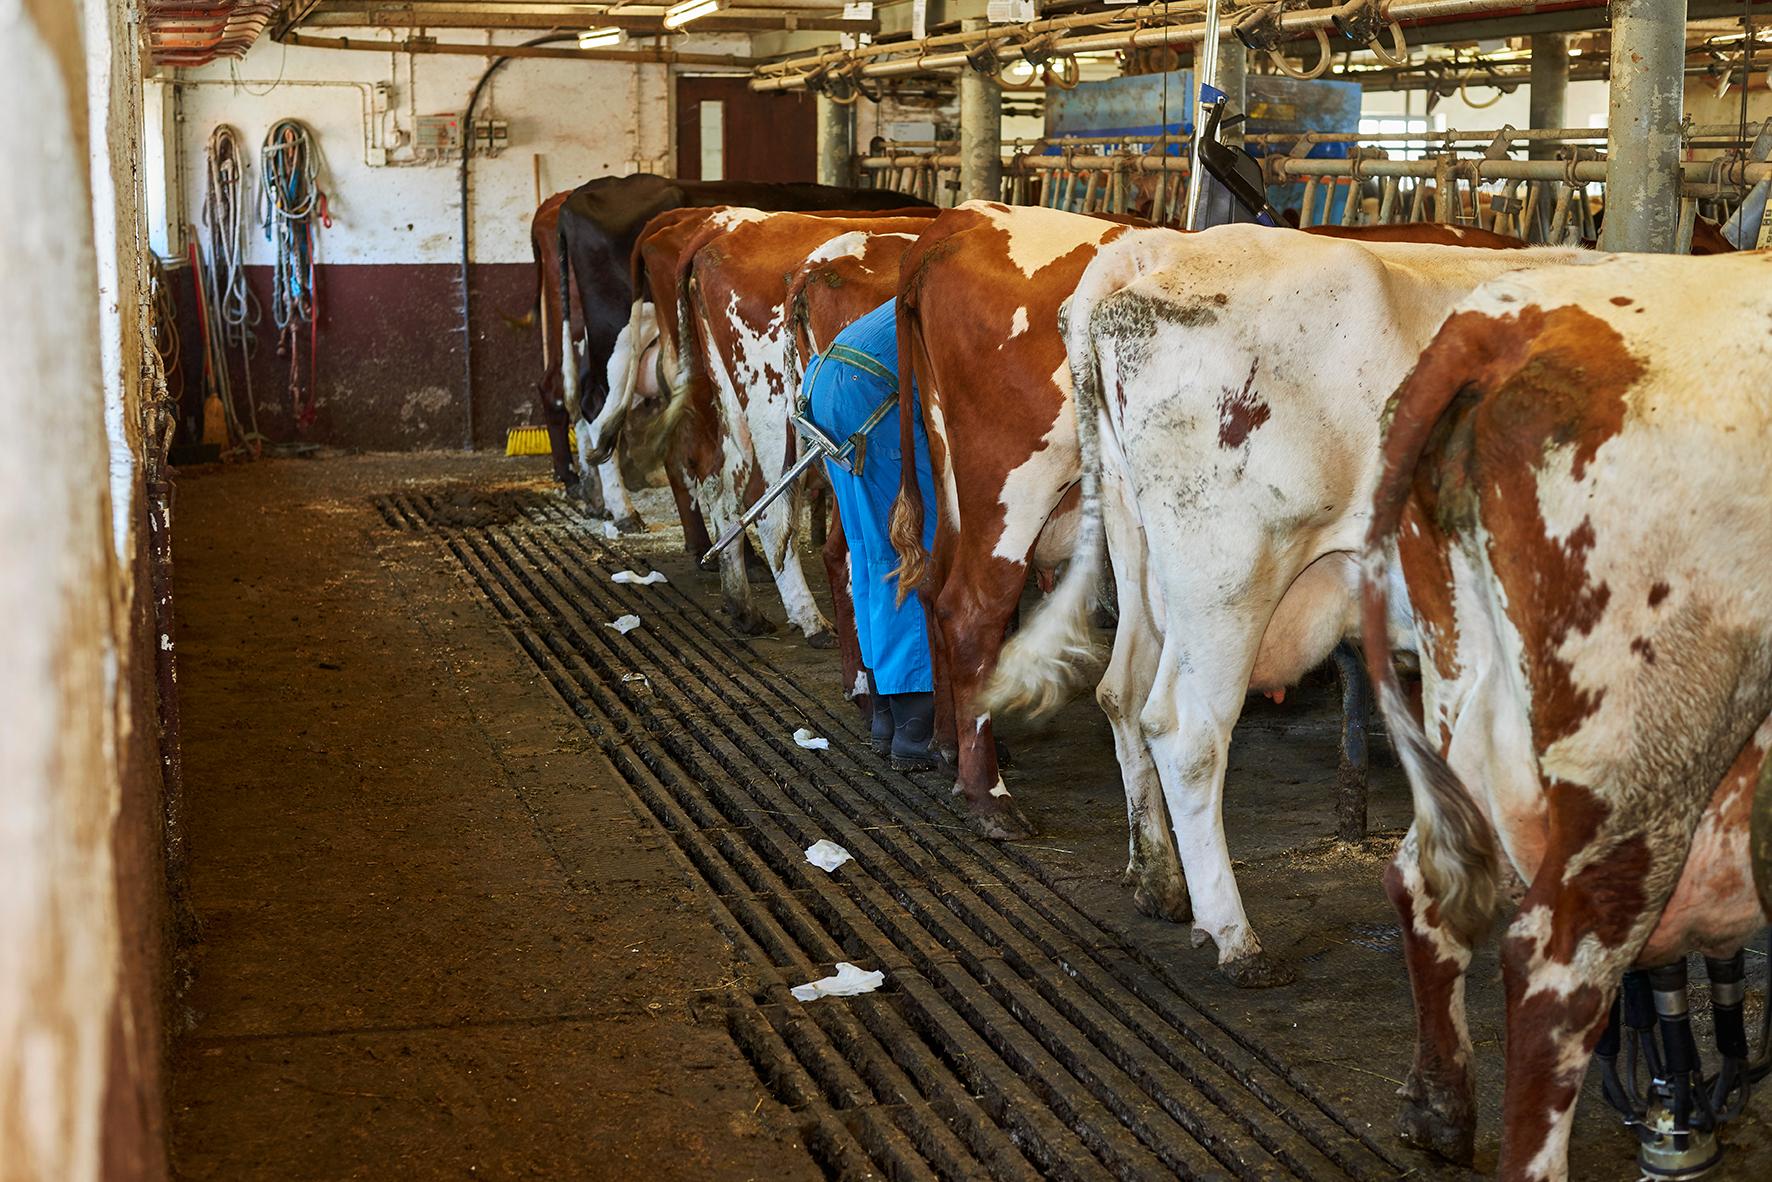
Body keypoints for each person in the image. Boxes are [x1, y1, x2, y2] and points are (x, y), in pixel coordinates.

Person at [799, 299, 938, 770]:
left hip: (824, 381)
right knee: (908, 548)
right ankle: (916, 724)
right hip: (870, 391)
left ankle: (885, 713)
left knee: (867, 549)